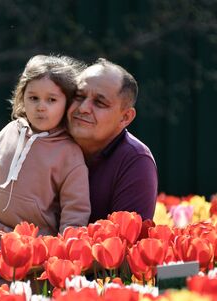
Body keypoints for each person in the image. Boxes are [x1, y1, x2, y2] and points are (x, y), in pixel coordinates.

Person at [0, 55, 91, 257]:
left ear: (68, 104)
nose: (41, 106)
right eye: (33, 98)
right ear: (22, 98)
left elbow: (75, 212)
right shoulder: (11, 131)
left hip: (33, 252)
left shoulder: (70, 154)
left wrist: (63, 255)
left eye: (51, 100)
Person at [67, 58, 158, 221]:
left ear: (125, 117)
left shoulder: (135, 160)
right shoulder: (44, 140)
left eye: (100, 103)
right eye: (79, 96)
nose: (83, 108)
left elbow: (127, 243)